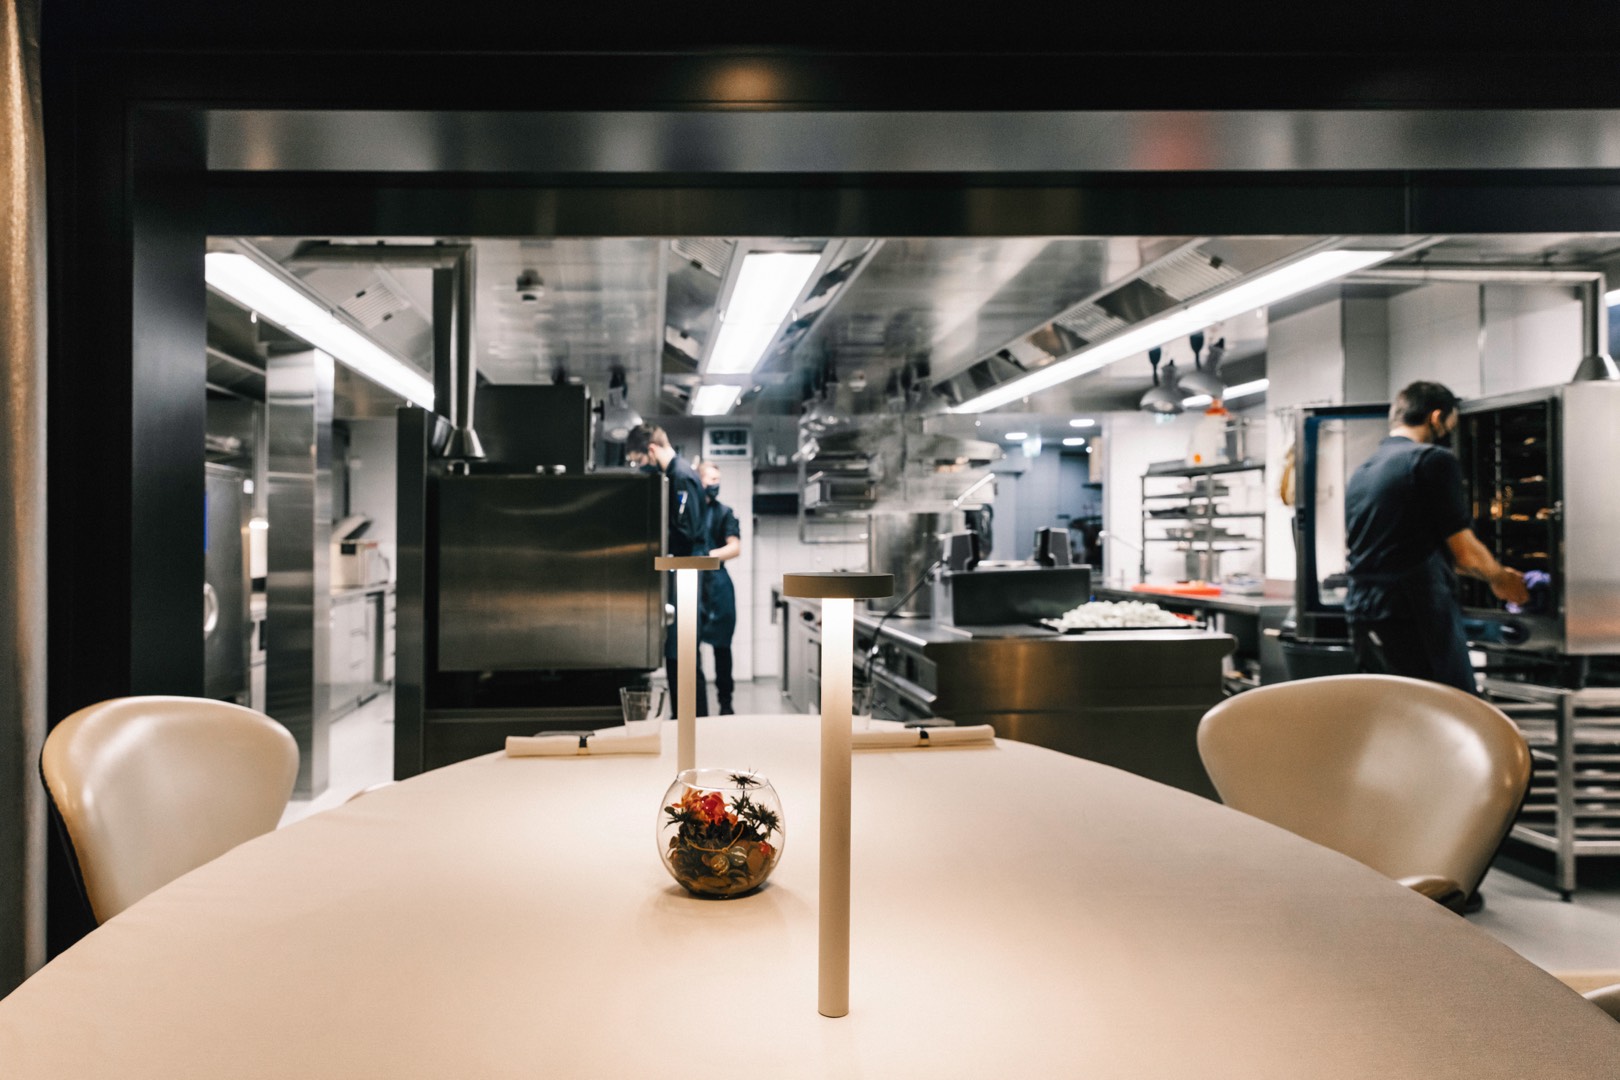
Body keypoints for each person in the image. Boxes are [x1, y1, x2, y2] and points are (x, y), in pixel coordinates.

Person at [1344, 381, 1529, 695]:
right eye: (1450, 424)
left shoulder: (1364, 470)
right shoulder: (1432, 460)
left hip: (1364, 612)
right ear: (1436, 417)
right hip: (1414, 613)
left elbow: (1406, 546)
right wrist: (1501, 578)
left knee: (1389, 706)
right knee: (1451, 706)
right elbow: (1464, 551)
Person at [626, 424, 709, 716]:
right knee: (678, 654)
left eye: (639, 460)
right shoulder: (675, 474)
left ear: (651, 450)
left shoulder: (681, 476)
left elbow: (685, 532)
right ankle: (682, 718)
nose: (641, 467)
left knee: (684, 654)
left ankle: (695, 722)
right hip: (681, 572)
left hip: (688, 573)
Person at [696, 460, 742, 715]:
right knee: (691, 648)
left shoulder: (725, 512)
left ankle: (726, 704)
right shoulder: (690, 512)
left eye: (718, 480)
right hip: (695, 586)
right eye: (711, 479)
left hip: (718, 586)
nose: (716, 484)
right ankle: (697, 706)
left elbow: (735, 547)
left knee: (722, 648)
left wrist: (706, 556)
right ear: (699, 480)